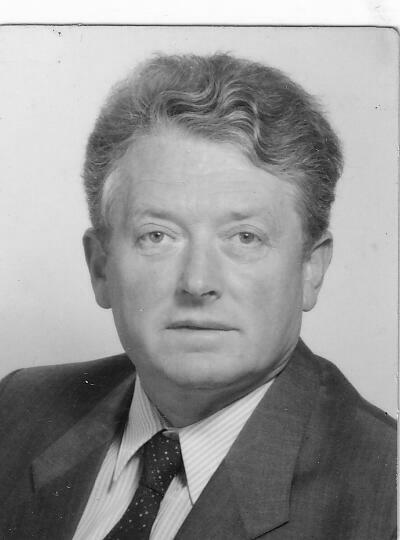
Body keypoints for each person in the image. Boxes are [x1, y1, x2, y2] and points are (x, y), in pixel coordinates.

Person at [0, 53, 396, 540]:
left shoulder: (384, 494)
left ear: (311, 269)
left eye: (245, 237)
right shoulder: (15, 410)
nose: (197, 282)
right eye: (158, 235)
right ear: (100, 267)